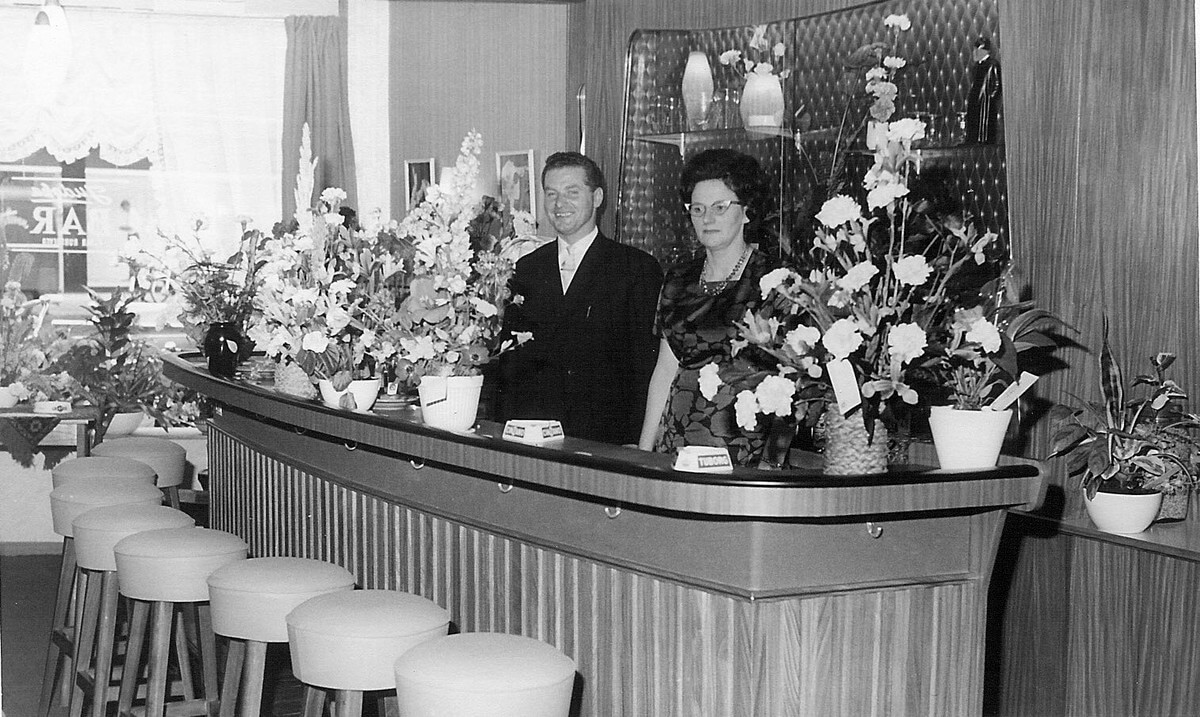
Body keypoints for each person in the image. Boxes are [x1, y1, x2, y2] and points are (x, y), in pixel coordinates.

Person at [497, 152, 663, 444]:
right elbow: (511, 361)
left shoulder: (635, 268)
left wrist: (640, 441)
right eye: (552, 194)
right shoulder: (527, 269)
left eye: (572, 192)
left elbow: (645, 365)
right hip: (536, 437)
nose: (560, 205)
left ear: (597, 197)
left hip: (607, 438)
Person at [638, 149, 781, 467]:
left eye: (720, 207)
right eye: (698, 209)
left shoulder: (773, 280)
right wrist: (644, 452)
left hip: (743, 450)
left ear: (746, 211)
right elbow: (665, 371)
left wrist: (772, 462)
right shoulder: (678, 278)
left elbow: (787, 379)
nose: (708, 219)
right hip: (677, 447)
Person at [964, 37, 1001, 145]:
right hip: (976, 100)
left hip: (985, 102)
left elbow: (997, 84)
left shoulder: (992, 64)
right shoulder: (977, 66)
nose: (974, 53)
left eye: (977, 50)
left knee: (984, 126)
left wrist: (989, 98)